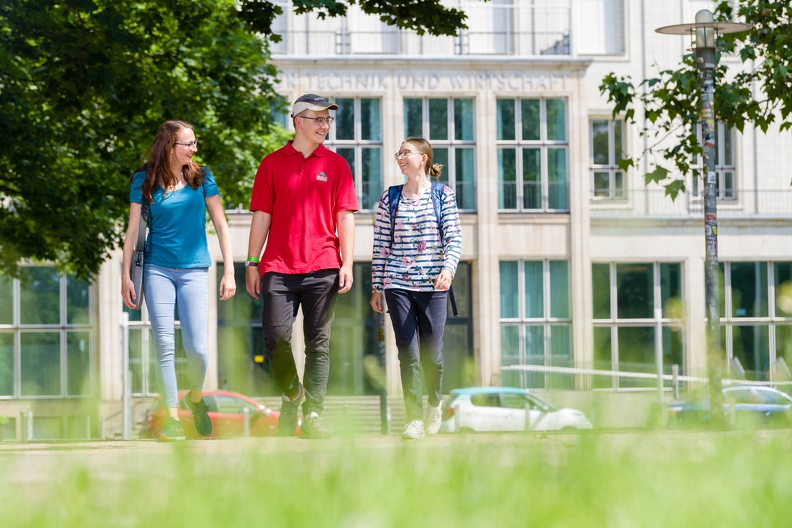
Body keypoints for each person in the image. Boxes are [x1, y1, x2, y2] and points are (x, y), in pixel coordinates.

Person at [246, 94, 358, 440]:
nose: (325, 126)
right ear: (298, 122)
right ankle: (293, 395)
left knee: (318, 344)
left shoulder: (337, 165)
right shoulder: (271, 164)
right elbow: (262, 215)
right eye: (318, 119)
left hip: (324, 264)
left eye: (328, 120)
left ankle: (313, 415)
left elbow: (345, 217)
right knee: (276, 338)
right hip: (278, 266)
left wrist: (348, 262)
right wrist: (251, 263)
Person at [122, 120, 236, 442]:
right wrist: (125, 276)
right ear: (169, 146)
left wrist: (229, 270)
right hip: (157, 269)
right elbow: (132, 232)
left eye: (194, 142)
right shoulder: (143, 180)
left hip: (195, 270)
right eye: (188, 143)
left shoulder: (202, 178)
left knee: (197, 349)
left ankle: (195, 398)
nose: (194, 149)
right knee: (165, 345)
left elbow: (222, 225)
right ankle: (172, 419)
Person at [370, 136, 462, 440]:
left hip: (434, 285)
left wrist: (448, 269)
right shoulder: (390, 198)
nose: (400, 157)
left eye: (406, 153)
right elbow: (381, 245)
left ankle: (434, 403)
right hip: (397, 283)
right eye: (398, 154)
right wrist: (376, 286)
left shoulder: (442, 195)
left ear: (423, 158)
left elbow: (453, 238)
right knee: (407, 352)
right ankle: (413, 419)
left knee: (431, 354)